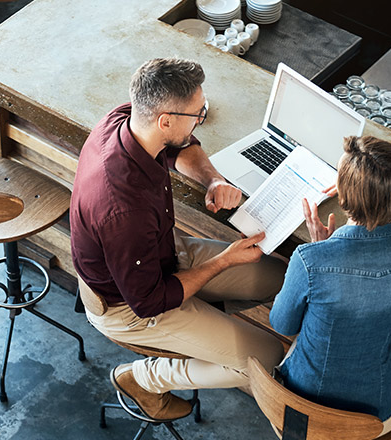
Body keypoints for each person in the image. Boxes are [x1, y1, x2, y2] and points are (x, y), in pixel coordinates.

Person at [70, 57, 287, 420]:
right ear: (165, 119)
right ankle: (144, 379)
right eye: (196, 114)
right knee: (267, 357)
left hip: (161, 255)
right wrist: (224, 261)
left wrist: (213, 179)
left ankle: (204, 324)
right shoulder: (124, 210)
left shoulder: (127, 119)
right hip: (129, 305)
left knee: (277, 277)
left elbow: (180, 145)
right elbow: (150, 302)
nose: (201, 119)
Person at [270, 135, 391, 435]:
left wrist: (323, 249)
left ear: (343, 196)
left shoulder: (309, 260)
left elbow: (282, 324)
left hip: (303, 409)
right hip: (375, 417)